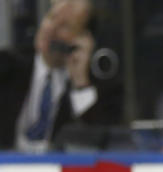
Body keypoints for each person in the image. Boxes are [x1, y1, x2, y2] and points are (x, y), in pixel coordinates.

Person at [0, 0, 122, 152]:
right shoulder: (7, 66)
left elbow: (100, 144)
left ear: (83, 40)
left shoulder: (103, 88)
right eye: (51, 17)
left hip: (64, 171)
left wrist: (80, 83)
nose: (50, 29)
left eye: (65, 26)